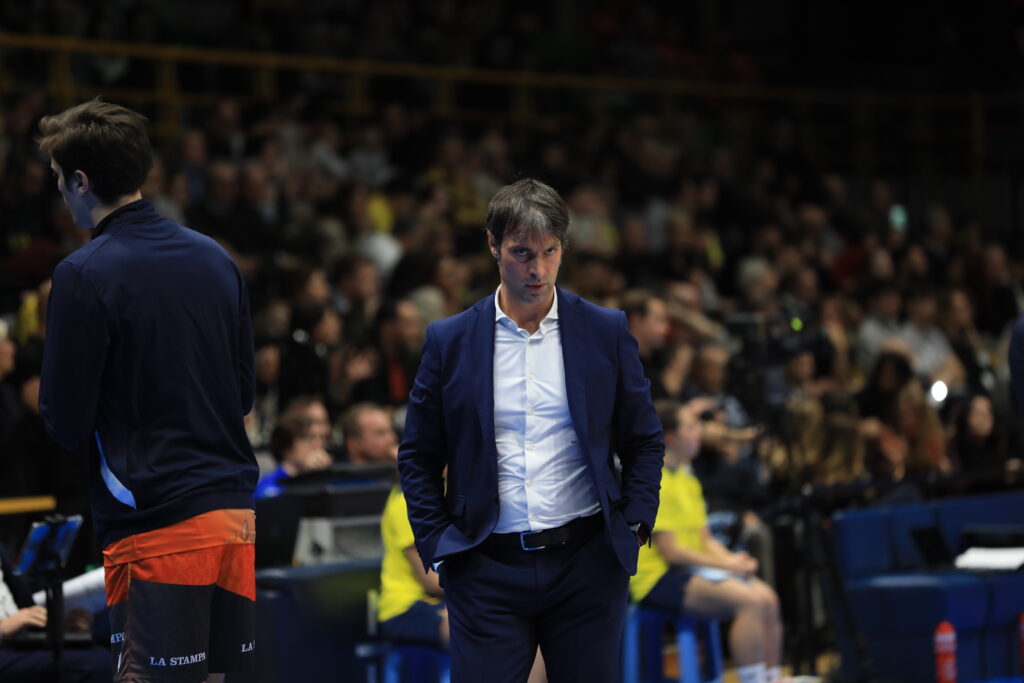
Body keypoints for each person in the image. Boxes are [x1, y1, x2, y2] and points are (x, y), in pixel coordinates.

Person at [398, 178, 664, 683]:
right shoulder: (449, 340)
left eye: (549, 252)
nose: (538, 269)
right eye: (522, 253)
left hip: (587, 562)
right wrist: (438, 542)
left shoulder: (605, 330)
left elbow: (644, 438)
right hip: (484, 566)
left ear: (563, 248)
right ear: (493, 245)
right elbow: (417, 455)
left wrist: (635, 522)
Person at [37, 99, 258, 683]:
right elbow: (243, 395)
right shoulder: (216, 258)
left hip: (156, 522)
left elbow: (65, 422)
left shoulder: (83, 273)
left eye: (58, 179)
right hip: (233, 517)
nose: (59, 192)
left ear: (80, 181)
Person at [632, 400, 784, 683]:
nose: (698, 433)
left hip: (691, 571)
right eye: (691, 427)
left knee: (768, 598)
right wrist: (726, 565)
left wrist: (733, 561)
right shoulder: (655, 481)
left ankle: (772, 677)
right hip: (657, 578)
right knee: (750, 602)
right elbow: (672, 552)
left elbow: (705, 539)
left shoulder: (688, 480)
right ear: (670, 437)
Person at [255, 411, 333, 499]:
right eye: (308, 438)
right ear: (286, 447)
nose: (318, 445)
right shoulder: (270, 487)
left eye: (322, 438)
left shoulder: (326, 480)